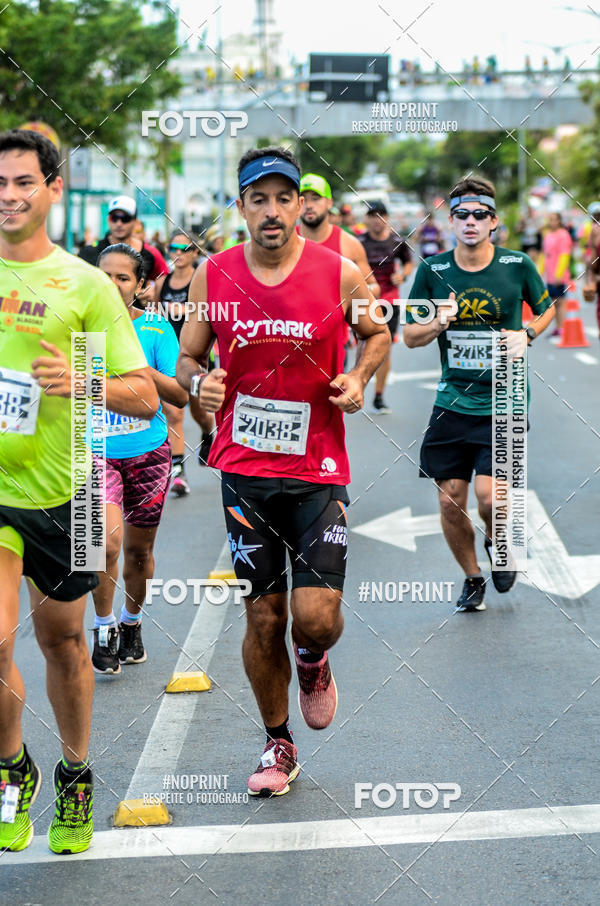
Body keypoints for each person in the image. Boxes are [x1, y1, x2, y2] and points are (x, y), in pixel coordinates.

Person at [176, 146, 390, 797]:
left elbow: (377, 334)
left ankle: (314, 659)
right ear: (241, 207)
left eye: (283, 198)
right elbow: (189, 359)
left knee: (315, 618)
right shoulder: (213, 275)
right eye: (258, 199)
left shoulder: (339, 271)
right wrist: (198, 388)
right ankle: (278, 741)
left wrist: (357, 377)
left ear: (300, 204)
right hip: (244, 471)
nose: (271, 211)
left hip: (318, 470)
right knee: (263, 616)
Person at [0, 130, 158, 853]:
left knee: (61, 643)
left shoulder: (87, 284)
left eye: (23, 182)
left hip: (68, 495)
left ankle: (73, 772)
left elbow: (143, 399)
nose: (8, 195)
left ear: (52, 189)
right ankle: (10, 770)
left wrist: (81, 380)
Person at [404, 177, 554, 612]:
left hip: (505, 397)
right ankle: (472, 578)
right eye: (463, 215)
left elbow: (548, 309)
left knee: (490, 495)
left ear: (494, 222)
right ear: (451, 222)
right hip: (452, 400)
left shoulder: (516, 264)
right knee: (451, 499)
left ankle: (498, 538)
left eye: (481, 215)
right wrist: (437, 324)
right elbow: (410, 336)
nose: (471, 222)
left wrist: (526, 333)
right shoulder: (433, 271)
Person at [90, 244, 187, 674]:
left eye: (123, 278)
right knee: (103, 542)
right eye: (104, 276)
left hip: (147, 452)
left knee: (137, 553)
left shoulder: (154, 328)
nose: (112, 285)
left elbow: (181, 394)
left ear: (141, 285)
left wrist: (137, 370)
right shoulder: (79, 328)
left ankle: (132, 622)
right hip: (94, 451)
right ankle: (104, 626)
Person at [154, 231, 215, 496]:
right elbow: (155, 317)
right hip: (169, 356)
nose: (177, 252)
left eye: (184, 247)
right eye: (173, 247)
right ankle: (178, 471)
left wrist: (187, 311)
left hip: (196, 354)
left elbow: (213, 313)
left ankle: (207, 432)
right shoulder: (162, 283)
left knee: (200, 412)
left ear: (194, 253)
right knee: (173, 412)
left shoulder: (200, 279)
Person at [359, 201, 413, 413]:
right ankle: (358, 388)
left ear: (387, 218)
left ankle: (379, 396)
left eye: (380, 215)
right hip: (364, 301)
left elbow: (409, 262)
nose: (376, 219)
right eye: (372, 215)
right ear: (367, 219)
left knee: (384, 350)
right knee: (364, 349)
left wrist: (403, 275)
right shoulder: (360, 242)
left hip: (390, 301)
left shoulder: (397, 241)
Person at [78, 195, 168, 307]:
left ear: (136, 222)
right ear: (108, 220)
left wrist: (155, 291)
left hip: (135, 320)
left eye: (125, 218)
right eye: (114, 218)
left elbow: (166, 280)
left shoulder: (151, 253)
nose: (119, 223)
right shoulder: (88, 252)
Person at [298, 173, 379, 296]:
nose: (309, 206)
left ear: (329, 203)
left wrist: (351, 292)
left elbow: (374, 287)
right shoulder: (286, 241)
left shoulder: (350, 244)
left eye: (315, 198)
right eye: (303, 199)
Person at [538, 212, 573, 337]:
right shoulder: (548, 235)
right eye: (550, 219)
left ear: (559, 221)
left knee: (560, 302)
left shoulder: (563, 235)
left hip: (559, 276)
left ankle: (561, 327)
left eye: (553, 219)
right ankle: (557, 327)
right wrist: (539, 271)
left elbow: (565, 255)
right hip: (550, 275)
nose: (551, 222)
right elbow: (543, 254)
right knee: (553, 303)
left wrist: (559, 274)